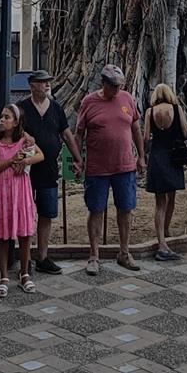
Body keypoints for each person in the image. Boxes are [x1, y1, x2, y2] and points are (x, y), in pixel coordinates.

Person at [75, 65, 143, 274]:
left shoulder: (127, 99)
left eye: (120, 86)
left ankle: (124, 252)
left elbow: (135, 128)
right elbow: (79, 133)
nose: (117, 89)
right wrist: (78, 160)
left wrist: (141, 156)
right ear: (103, 83)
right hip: (97, 168)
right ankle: (94, 255)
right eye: (113, 86)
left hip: (125, 166)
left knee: (126, 208)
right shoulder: (89, 102)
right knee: (96, 209)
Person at [16, 70, 77, 275]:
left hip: (49, 170)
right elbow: (12, 130)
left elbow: (66, 134)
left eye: (48, 81)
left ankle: (42, 256)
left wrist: (77, 158)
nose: (47, 84)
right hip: (26, 171)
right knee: (24, 214)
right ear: (32, 85)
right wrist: (25, 136)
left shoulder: (56, 108)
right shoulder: (22, 108)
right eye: (42, 82)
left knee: (47, 213)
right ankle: (24, 259)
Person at [0, 102, 41, 297]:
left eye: (7, 117)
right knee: (3, 234)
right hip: (3, 190)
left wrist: (26, 160)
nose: (2, 120)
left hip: (21, 190)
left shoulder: (24, 139)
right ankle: (3, 276)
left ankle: (24, 273)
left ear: (16, 122)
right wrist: (11, 161)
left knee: (24, 233)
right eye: (2, 116)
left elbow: (40, 155)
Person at [142, 83, 187, 262]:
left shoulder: (150, 112)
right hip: (173, 157)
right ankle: (166, 232)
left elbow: (146, 137)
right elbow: (185, 133)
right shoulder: (177, 109)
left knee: (159, 202)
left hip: (157, 156)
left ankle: (161, 239)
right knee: (172, 197)